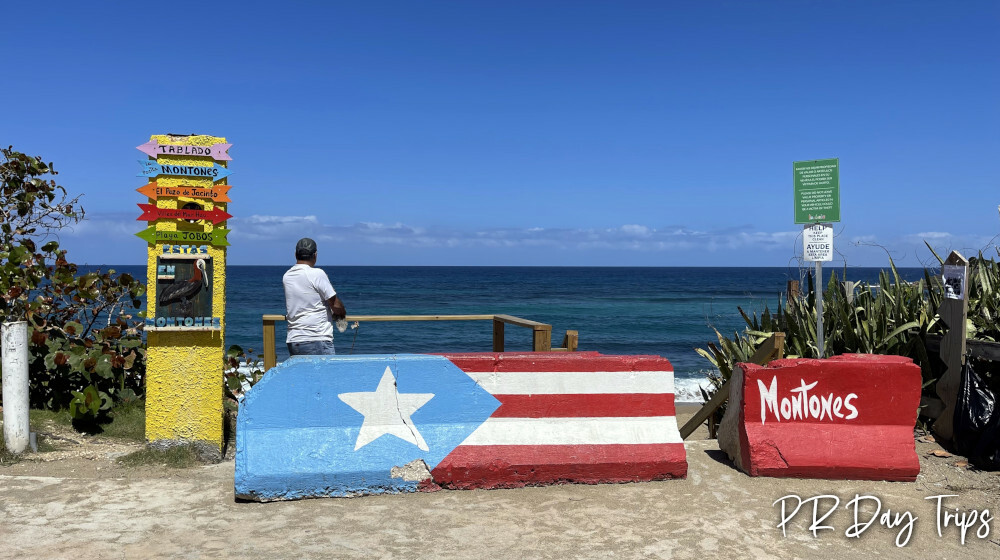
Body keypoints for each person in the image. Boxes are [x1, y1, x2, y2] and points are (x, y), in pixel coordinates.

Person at [282, 238, 347, 356]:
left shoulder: (287, 276)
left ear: (295, 254)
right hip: (316, 338)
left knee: (303, 374)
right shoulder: (317, 274)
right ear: (315, 255)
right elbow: (335, 304)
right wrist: (341, 313)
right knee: (324, 374)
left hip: (294, 339)